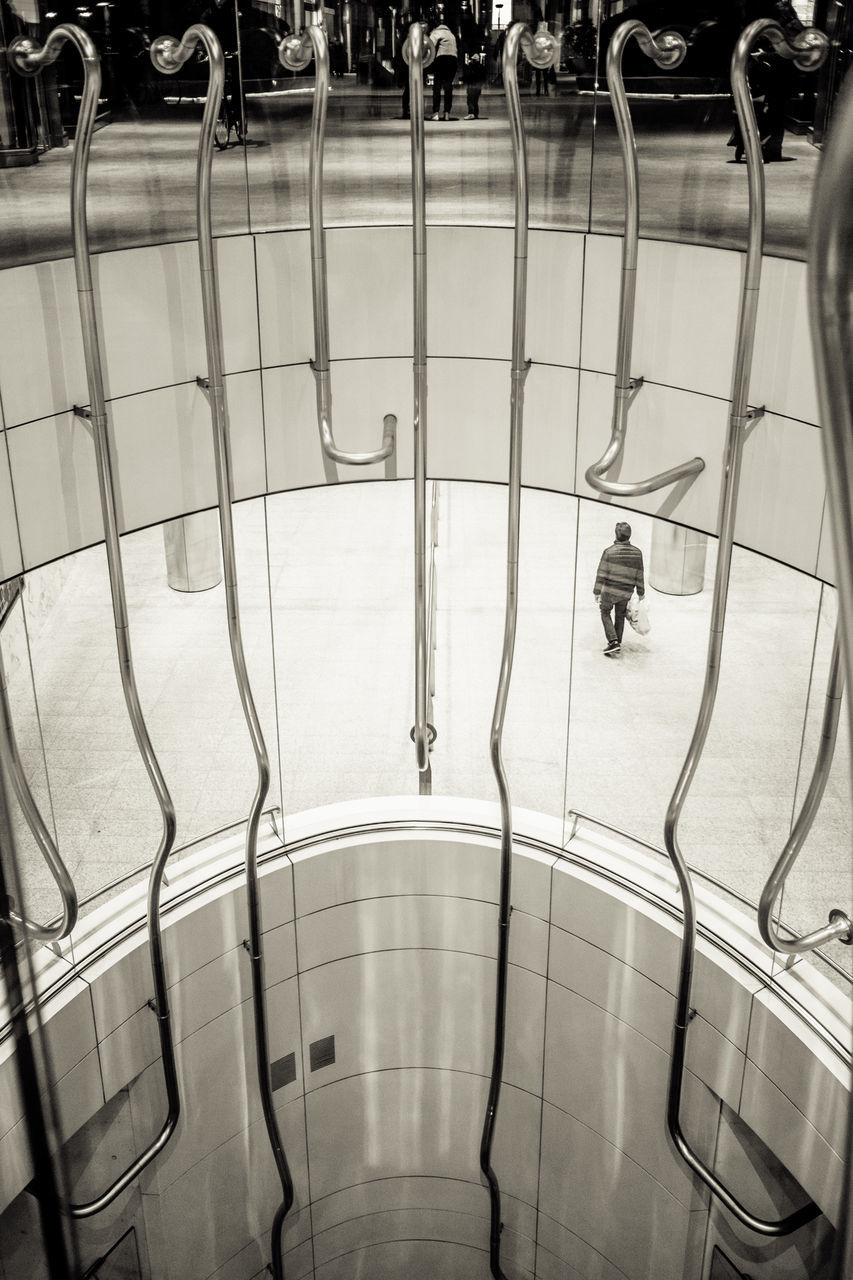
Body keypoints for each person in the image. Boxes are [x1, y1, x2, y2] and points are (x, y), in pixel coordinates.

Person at [593, 521, 645, 656]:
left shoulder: (609, 552)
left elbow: (601, 573)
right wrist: (641, 592)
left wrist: (597, 591)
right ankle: (617, 642)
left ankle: (613, 641)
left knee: (605, 612)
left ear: (616, 534)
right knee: (620, 615)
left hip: (610, 591)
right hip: (626, 591)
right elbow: (639, 574)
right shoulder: (637, 553)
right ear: (629, 535)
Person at [429, 21, 458, 119]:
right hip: (453, 60)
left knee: (437, 86)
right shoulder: (451, 35)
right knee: (448, 86)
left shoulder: (436, 32)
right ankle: (447, 113)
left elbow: (430, 46)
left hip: (442, 59)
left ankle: (435, 113)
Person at [463, 53, 486, 119]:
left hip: (471, 86)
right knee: (475, 101)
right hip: (478, 87)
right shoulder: (481, 67)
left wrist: (464, 80)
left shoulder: (470, 66)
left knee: (470, 100)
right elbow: (484, 77)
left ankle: (471, 113)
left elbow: (468, 76)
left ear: (473, 60)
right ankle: (476, 113)